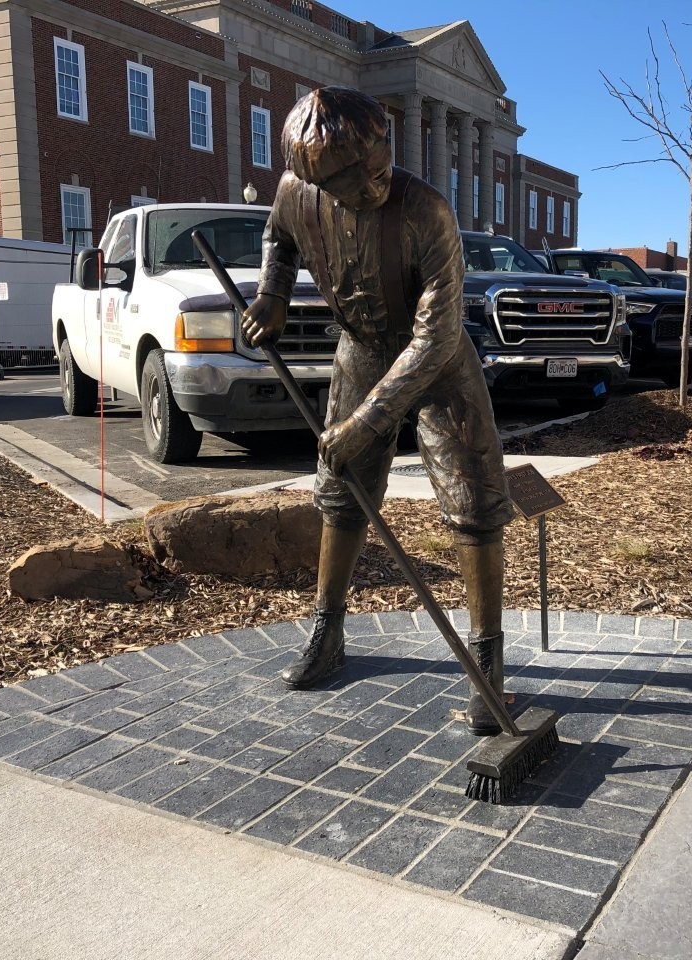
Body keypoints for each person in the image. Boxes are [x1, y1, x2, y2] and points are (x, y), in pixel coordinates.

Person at [241, 86, 513, 736]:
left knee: (474, 502)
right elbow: (279, 239)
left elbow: (435, 338)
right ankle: (328, 631)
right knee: (341, 495)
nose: (373, 184)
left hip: (438, 365)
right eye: (352, 181)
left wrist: (364, 423)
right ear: (317, 182)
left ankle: (487, 661)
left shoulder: (429, 212)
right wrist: (273, 295)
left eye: (379, 165)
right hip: (361, 350)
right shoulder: (294, 194)